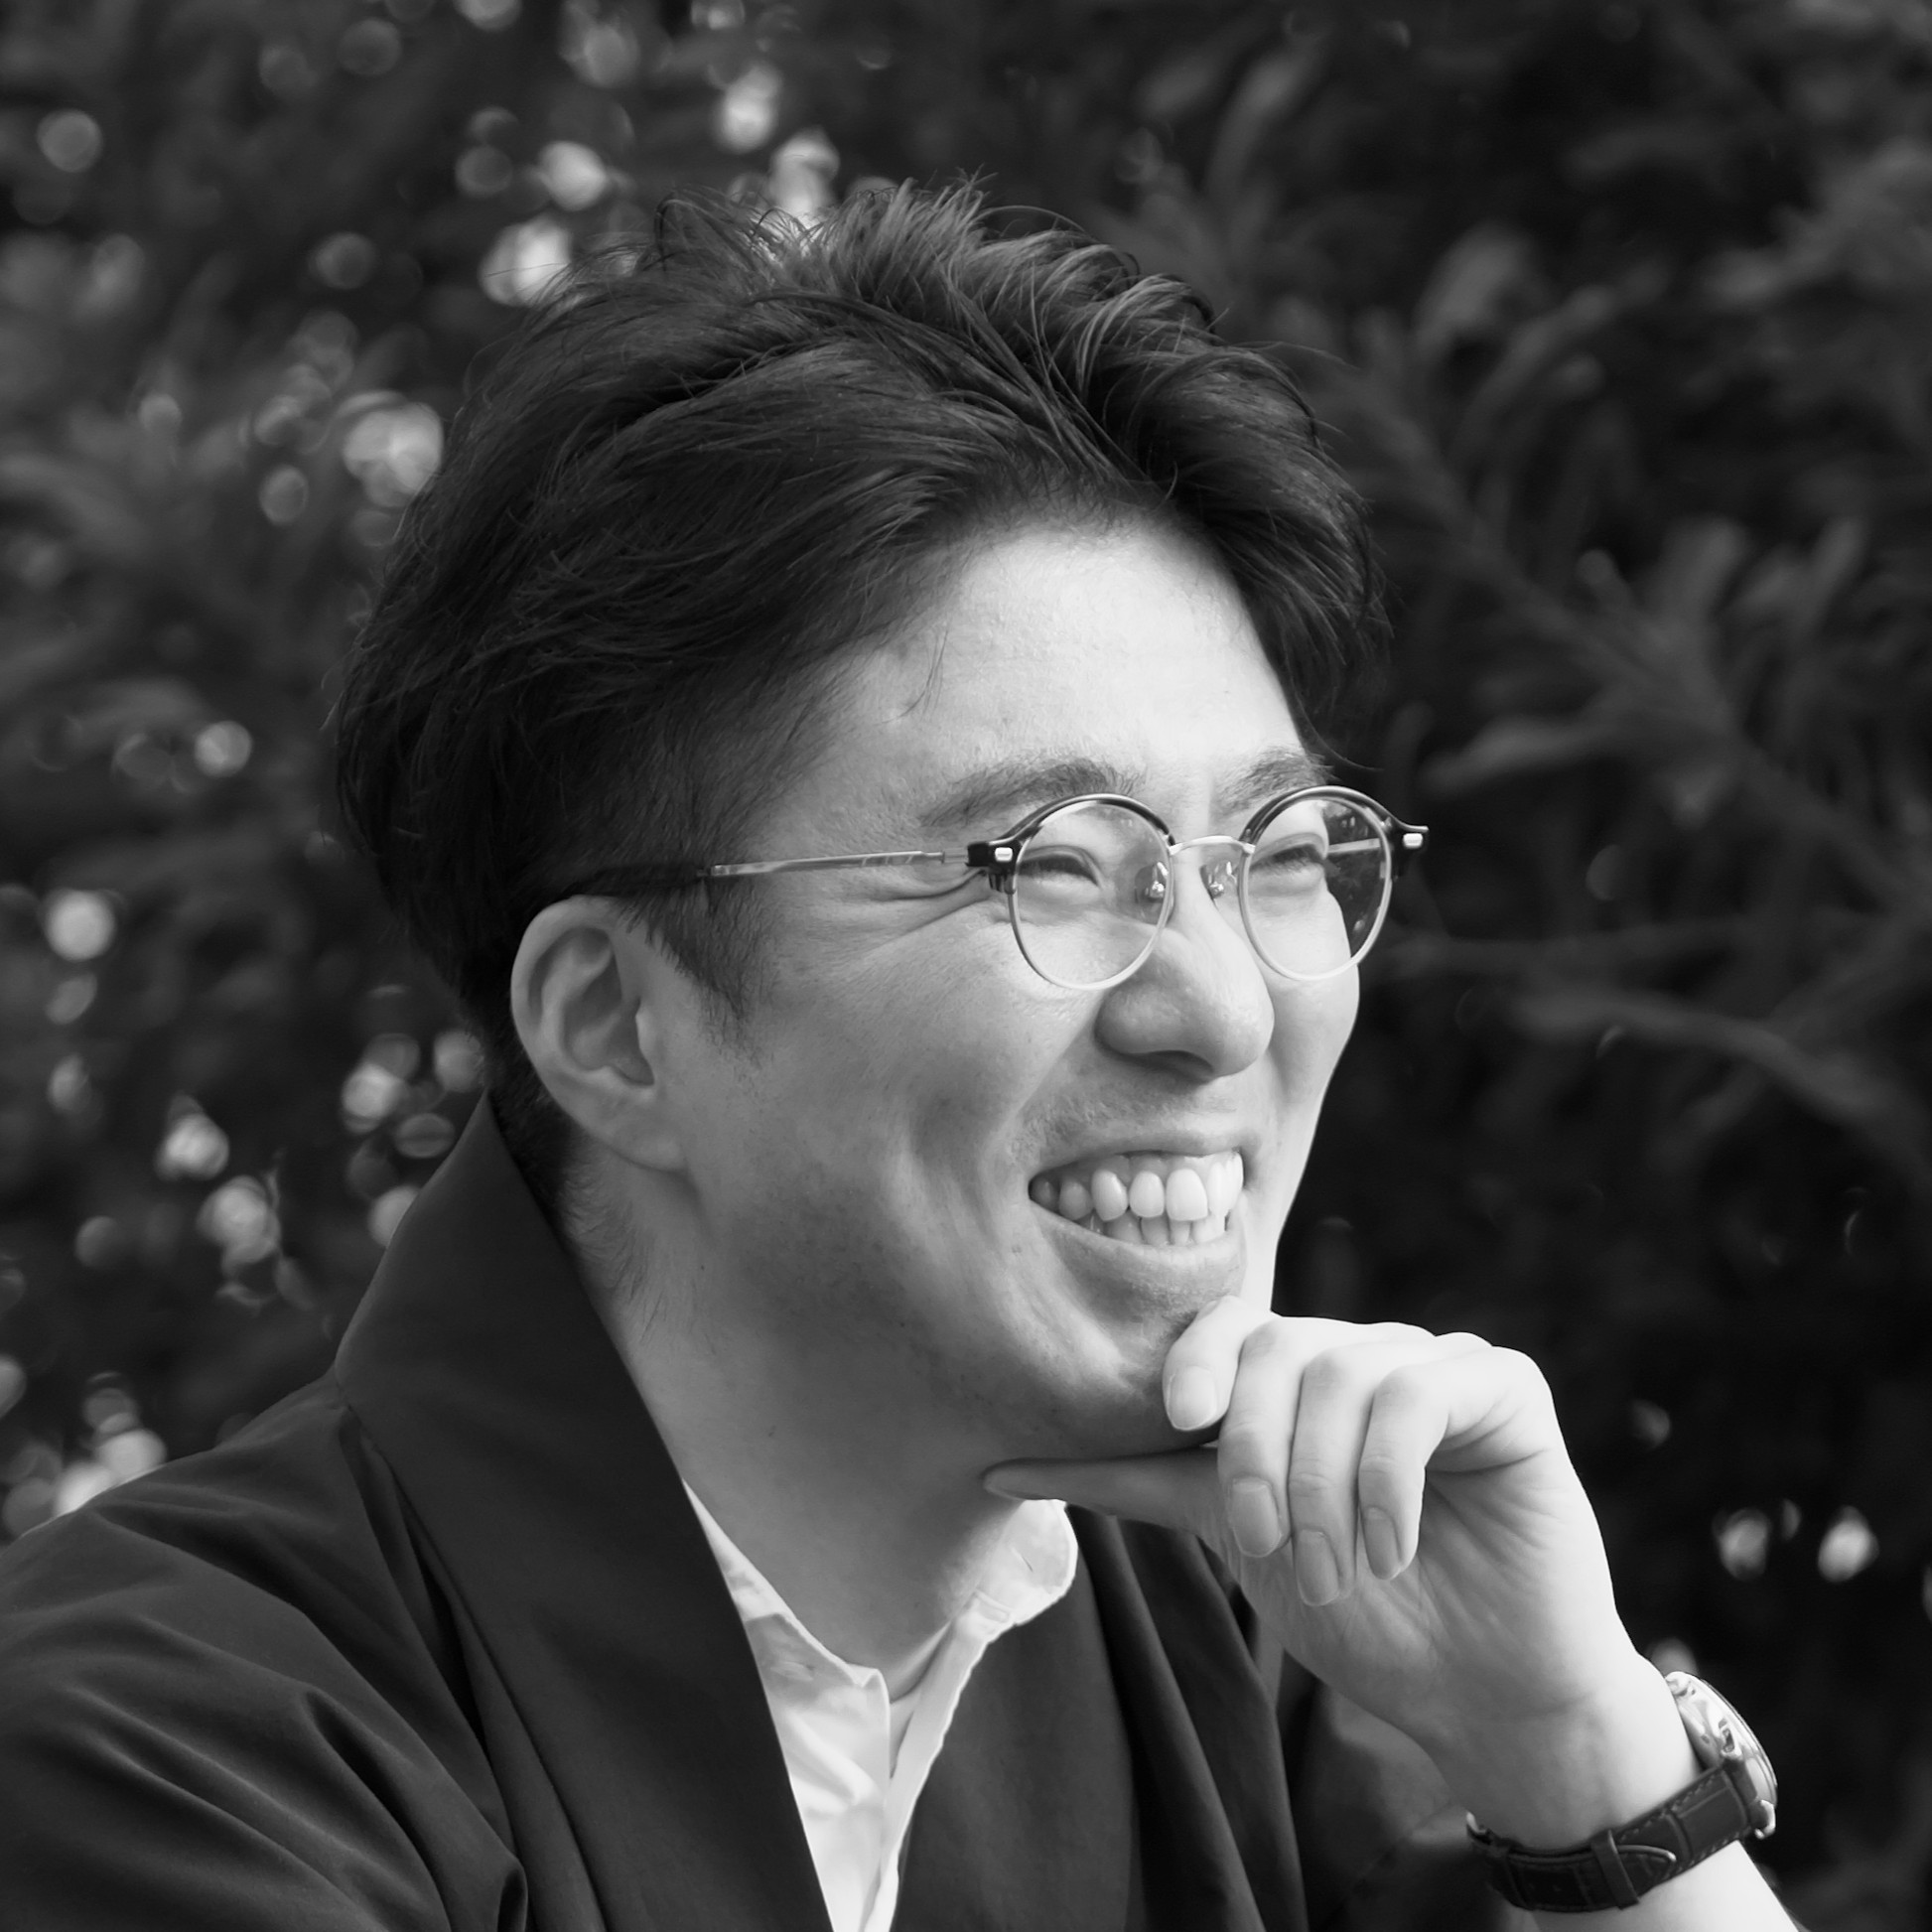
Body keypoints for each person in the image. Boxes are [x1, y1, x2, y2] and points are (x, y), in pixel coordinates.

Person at [0, 186, 1791, 1931]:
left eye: (1275, 850)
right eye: (1052, 866)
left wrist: (1570, 1750)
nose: (1227, 1010)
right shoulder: (171, 1754)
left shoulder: (1264, 1642)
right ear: (616, 1025)